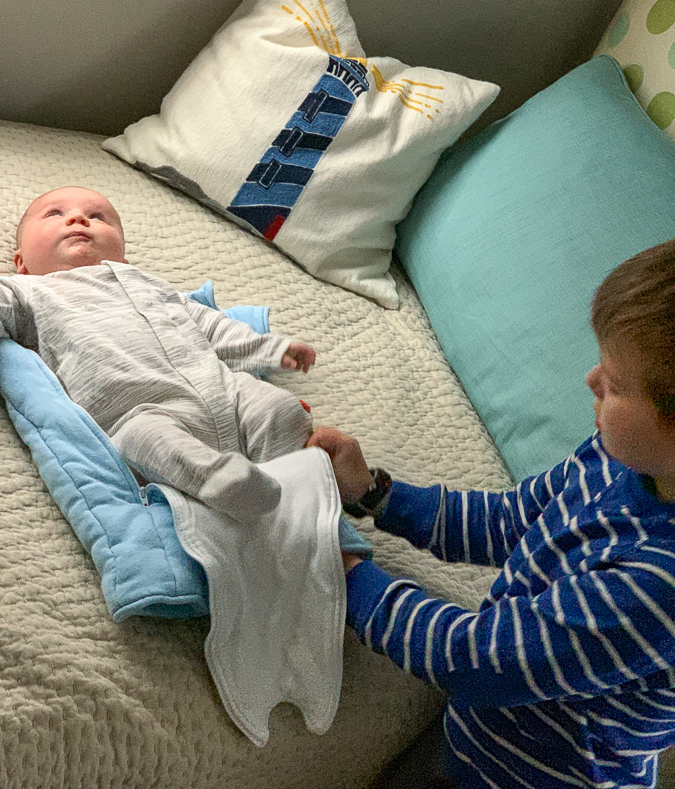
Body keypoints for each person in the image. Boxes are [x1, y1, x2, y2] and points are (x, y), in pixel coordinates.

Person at [308, 238, 675, 789]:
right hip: (478, 733)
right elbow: (508, 521)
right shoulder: (616, 456)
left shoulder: (659, 585)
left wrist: (351, 577)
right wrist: (373, 492)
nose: (591, 380)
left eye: (616, 385)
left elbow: (479, 660)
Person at [6, 185, 318, 522]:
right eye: (55, 214)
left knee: (278, 407)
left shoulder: (147, 284)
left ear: (123, 258)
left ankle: (286, 493)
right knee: (144, 440)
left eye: (98, 217)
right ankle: (218, 480)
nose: (79, 219)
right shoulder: (27, 290)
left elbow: (210, 326)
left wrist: (269, 348)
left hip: (220, 391)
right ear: (21, 262)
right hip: (138, 410)